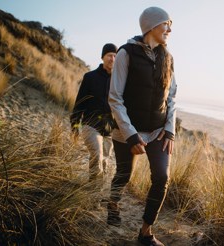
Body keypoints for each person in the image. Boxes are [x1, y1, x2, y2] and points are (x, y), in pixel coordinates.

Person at [107, 6, 177, 246]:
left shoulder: (168, 58)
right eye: (165, 24)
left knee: (161, 177)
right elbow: (115, 98)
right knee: (123, 175)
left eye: (170, 25)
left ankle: (145, 232)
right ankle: (113, 204)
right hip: (127, 131)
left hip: (158, 131)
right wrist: (131, 135)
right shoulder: (126, 53)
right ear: (150, 26)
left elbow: (172, 98)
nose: (169, 29)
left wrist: (170, 130)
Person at [70, 43, 117, 182]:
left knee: (104, 162)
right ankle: (94, 198)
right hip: (90, 125)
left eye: (115, 56)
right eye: (109, 55)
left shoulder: (118, 81)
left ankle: (96, 193)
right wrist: (75, 127)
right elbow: (80, 103)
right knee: (97, 155)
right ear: (103, 57)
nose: (112, 59)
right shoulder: (90, 77)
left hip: (109, 129)